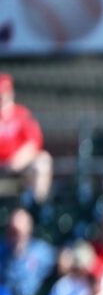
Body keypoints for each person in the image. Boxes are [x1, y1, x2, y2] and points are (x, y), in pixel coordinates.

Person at [0, 73, 53, 205]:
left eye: (4, 94)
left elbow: (34, 143)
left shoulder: (21, 114)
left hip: (20, 166)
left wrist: (16, 162)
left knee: (43, 161)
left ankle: (37, 208)